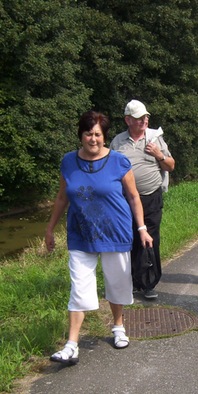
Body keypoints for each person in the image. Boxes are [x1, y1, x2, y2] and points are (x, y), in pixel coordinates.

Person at [45, 111, 153, 364]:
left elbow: (134, 196)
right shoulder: (68, 162)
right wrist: (50, 228)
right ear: (80, 135)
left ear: (104, 137)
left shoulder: (119, 161)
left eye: (97, 134)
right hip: (81, 234)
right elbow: (62, 198)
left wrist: (142, 228)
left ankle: (118, 327)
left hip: (115, 231)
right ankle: (72, 345)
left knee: (117, 283)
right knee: (79, 288)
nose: (93, 139)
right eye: (88, 133)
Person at [110, 100, 175, 299]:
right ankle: (132, 281)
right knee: (130, 239)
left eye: (146, 117)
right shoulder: (117, 142)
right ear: (128, 120)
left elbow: (171, 166)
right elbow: (111, 170)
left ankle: (149, 283)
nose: (144, 120)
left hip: (151, 198)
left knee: (150, 239)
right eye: (139, 118)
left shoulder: (155, 138)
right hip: (126, 200)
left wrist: (159, 155)